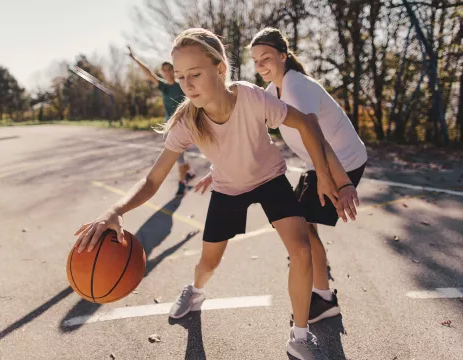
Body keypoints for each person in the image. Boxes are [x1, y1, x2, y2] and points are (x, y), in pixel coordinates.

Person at [76, 28, 356, 360]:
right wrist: (117, 209)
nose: (187, 84)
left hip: (270, 178)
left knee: (301, 248)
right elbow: (153, 180)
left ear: (220, 69)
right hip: (228, 188)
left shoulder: (252, 97)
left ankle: (299, 336)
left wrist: (325, 177)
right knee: (209, 263)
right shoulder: (187, 122)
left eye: (195, 74)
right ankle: (195, 292)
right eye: (180, 77)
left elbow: (307, 123)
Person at [197, 27, 367, 325]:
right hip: (319, 164)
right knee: (304, 228)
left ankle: (324, 298)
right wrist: (221, 168)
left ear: (284, 56)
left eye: (267, 58)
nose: (260, 65)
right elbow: (247, 136)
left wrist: (341, 182)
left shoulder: (295, 86)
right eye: (255, 60)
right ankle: (316, 275)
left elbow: (318, 137)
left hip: (340, 162)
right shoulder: (270, 91)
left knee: (304, 229)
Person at [128, 45, 195, 196]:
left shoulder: (182, 85)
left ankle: (183, 182)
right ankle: (188, 173)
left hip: (185, 124)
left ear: (174, 70)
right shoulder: (163, 87)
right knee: (180, 154)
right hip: (171, 125)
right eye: (163, 70)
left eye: (169, 69)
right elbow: (148, 73)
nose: (166, 73)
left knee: (179, 155)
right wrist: (134, 58)